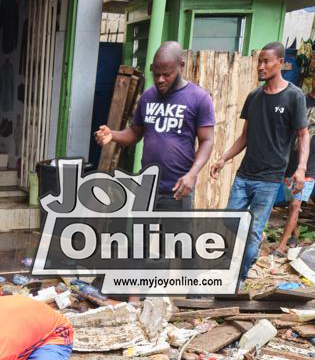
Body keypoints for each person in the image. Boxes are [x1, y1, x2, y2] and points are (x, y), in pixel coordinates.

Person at [211, 42, 309, 282]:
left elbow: (303, 134)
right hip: (244, 176)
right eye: (259, 61)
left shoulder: (294, 96)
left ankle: (238, 279)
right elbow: (244, 136)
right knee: (228, 226)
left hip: (268, 180)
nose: (261, 66)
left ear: (281, 63)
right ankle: (225, 275)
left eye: (267, 61)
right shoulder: (254, 96)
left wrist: (301, 168)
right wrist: (224, 158)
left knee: (253, 235)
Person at [95, 41, 215, 209]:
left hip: (178, 188)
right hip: (146, 185)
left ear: (181, 66)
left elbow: (207, 141)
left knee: (175, 236)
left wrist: (192, 174)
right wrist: (112, 135)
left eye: (166, 74)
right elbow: (135, 132)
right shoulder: (148, 96)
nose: (159, 80)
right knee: (139, 235)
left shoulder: (199, 98)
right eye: (156, 74)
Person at [275, 91, 315, 256]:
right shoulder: (299, 99)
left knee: (295, 204)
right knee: (291, 200)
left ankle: (280, 247)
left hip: (310, 164)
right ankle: (294, 235)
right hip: (290, 160)